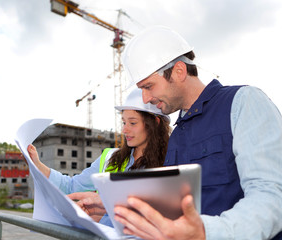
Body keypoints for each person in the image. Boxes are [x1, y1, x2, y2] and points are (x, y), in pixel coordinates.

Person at [113, 25, 282, 240]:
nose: (145, 99)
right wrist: (122, 207)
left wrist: (205, 233)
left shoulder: (243, 102)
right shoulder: (177, 136)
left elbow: (272, 196)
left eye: (149, 86)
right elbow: (173, 206)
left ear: (179, 71)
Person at [27, 87, 170, 226]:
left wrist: (102, 218)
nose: (125, 130)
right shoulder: (110, 158)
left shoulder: (171, 162)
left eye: (133, 123)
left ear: (155, 124)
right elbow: (72, 187)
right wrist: (38, 165)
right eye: (124, 122)